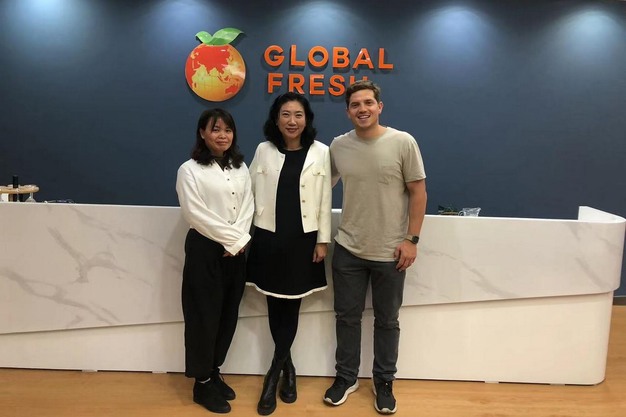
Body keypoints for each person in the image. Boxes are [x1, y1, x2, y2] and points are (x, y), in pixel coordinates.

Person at [324, 80, 427, 415]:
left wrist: (411, 239)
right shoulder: (339, 146)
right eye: (355, 104)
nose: (362, 109)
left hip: (391, 252)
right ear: (348, 111)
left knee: (387, 321)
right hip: (348, 249)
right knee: (346, 318)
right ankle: (346, 377)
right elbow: (320, 185)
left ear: (379, 106)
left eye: (368, 102)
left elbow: (418, 192)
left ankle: (384, 381)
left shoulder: (403, 142)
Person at [246, 92, 332, 415]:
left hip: (303, 240)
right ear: (276, 118)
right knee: (274, 303)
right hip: (268, 237)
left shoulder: (321, 152)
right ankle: (288, 367)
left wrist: (323, 240)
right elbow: (248, 190)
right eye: (285, 114)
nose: (292, 121)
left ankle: (273, 374)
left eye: (298, 115)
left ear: (306, 119)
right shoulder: (263, 150)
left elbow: (324, 199)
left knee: (291, 305)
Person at [176, 108, 254, 414]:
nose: (223, 136)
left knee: (227, 314)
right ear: (202, 133)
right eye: (216, 129)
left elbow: (248, 205)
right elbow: (195, 213)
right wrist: (232, 240)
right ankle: (201, 382)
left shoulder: (240, 167)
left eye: (228, 130)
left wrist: (238, 241)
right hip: (206, 250)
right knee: (203, 316)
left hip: (236, 252)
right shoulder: (189, 169)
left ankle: (214, 370)